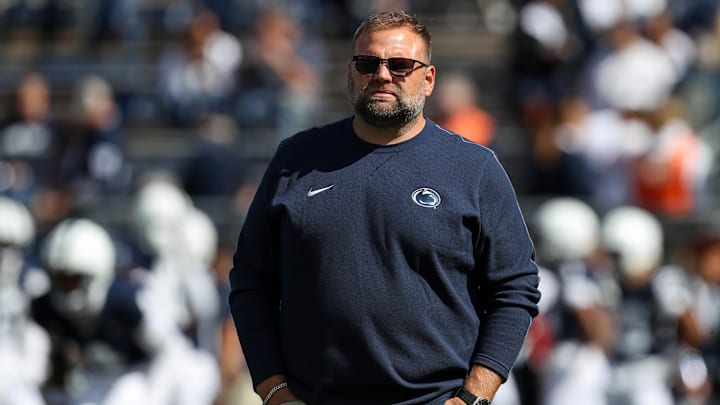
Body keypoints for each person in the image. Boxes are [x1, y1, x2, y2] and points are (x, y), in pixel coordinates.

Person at [228, 10, 541, 405]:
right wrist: (273, 389)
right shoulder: (295, 158)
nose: (382, 75)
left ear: (428, 79)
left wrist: (474, 396)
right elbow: (251, 281)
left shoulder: (474, 169)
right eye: (367, 63)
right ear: (350, 72)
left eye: (400, 65)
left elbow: (515, 288)